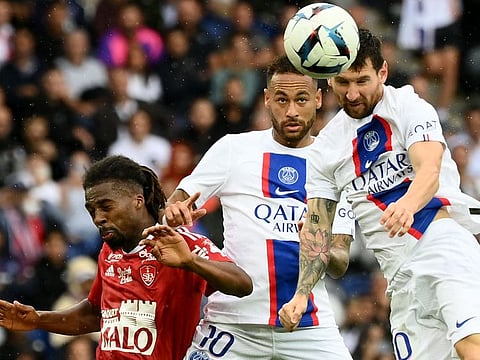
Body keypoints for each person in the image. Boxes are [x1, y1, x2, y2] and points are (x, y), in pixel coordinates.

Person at [279, 28, 480, 360]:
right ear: (330, 81)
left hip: (441, 246)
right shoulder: (326, 148)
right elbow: (318, 229)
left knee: (470, 343)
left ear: (382, 72)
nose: (353, 93)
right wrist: (302, 294)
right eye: (343, 83)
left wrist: (408, 205)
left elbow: (429, 170)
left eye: (362, 81)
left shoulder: (407, 106)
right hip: (400, 279)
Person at [165, 55, 354, 359]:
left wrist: (319, 246)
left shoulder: (337, 164)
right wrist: (174, 211)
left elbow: (341, 260)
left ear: (318, 99)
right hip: (233, 322)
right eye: (281, 99)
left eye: (301, 99)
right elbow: (177, 200)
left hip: (308, 324)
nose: (291, 111)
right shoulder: (233, 149)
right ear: (266, 99)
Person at [0, 155, 252, 360]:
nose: (98, 217)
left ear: (138, 201)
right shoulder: (109, 251)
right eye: (92, 210)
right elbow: (96, 314)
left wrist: (191, 262)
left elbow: (243, 284)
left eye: (106, 207)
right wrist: (37, 320)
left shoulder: (178, 243)